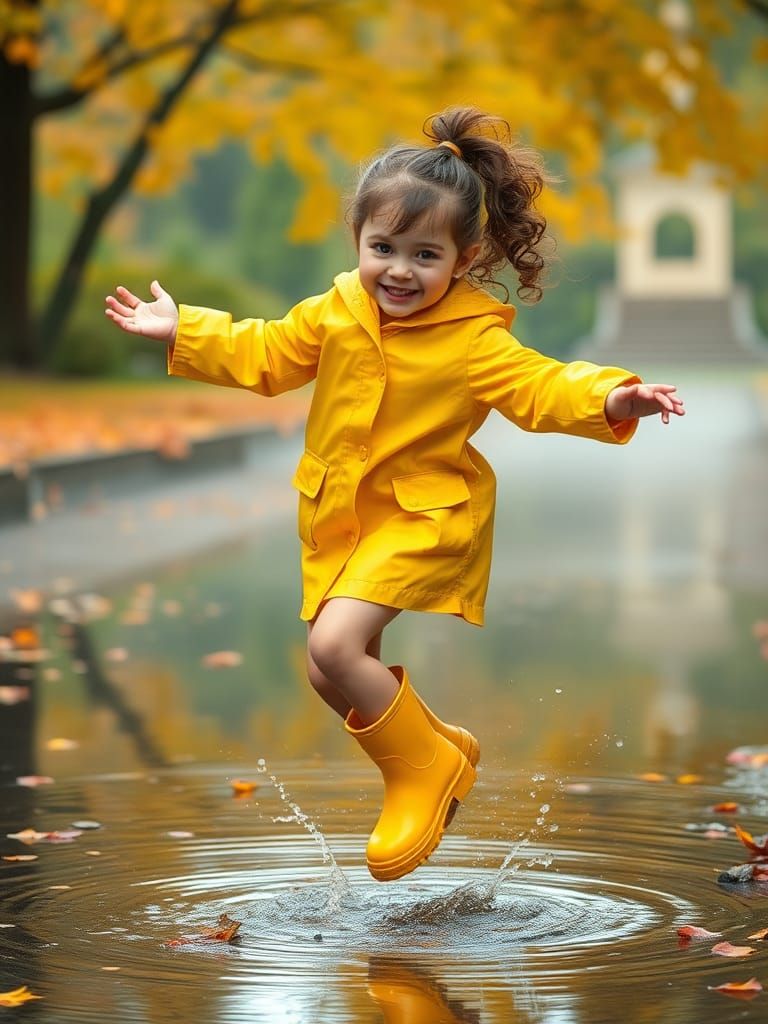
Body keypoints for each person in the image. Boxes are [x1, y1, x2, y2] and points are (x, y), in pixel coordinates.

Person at [105, 106, 684, 883]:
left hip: (422, 518)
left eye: (425, 254)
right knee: (326, 671)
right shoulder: (338, 311)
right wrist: (185, 329)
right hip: (343, 519)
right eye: (383, 248)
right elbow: (267, 351)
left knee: (334, 648)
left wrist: (613, 397)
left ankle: (422, 772)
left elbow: (541, 386)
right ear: (358, 242)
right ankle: (439, 747)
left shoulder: (474, 338)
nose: (400, 271)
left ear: (464, 258)